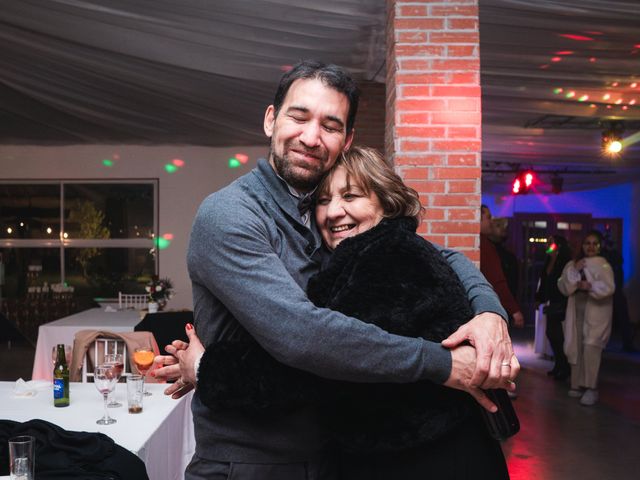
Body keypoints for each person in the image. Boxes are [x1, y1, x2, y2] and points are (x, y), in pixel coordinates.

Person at [154, 60, 518, 480]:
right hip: (254, 461)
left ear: (346, 140)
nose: (311, 137)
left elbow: (443, 256)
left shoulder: (334, 223)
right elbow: (303, 336)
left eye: (330, 125)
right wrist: (443, 363)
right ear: (271, 120)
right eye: (299, 116)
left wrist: (490, 313)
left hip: (338, 454)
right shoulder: (232, 214)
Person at [190, 146, 510, 479]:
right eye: (323, 201)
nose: (333, 212)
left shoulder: (384, 259)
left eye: (351, 196)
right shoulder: (383, 249)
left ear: (385, 202)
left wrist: (203, 368)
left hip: (430, 459)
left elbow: (316, 365)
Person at [558, 230, 615, 406]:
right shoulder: (573, 263)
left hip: (597, 312)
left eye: (594, 243)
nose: (590, 247)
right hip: (576, 309)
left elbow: (608, 287)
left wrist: (589, 285)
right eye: (587, 243)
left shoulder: (603, 265)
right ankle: (576, 383)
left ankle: (591, 387)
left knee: (591, 347)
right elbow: (563, 285)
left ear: (599, 246)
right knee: (575, 346)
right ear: (582, 246)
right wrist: (575, 272)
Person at [480, 205, 525, 328]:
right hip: (491, 307)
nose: (491, 222)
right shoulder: (484, 246)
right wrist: (514, 309)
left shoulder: (487, 245)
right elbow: (496, 280)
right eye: (488, 218)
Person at [535, 234, 572, 380]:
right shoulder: (548, 260)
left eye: (551, 243)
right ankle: (559, 364)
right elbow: (544, 282)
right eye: (547, 242)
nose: (547, 245)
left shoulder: (564, 262)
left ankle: (565, 366)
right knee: (551, 334)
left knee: (559, 336)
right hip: (551, 302)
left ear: (559, 246)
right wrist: (538, 298)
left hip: (562, 302)